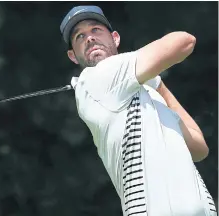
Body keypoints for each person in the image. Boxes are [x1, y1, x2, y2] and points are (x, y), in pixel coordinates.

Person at [60, 5, 217, 216]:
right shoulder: (96, 78)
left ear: (115, 38)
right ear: (72, 55)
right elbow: (184, 41)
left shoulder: (147, 93)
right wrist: (152, 71)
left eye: (96, 30)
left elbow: (199, 148)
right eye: (79, 36)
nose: (89, 38)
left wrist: (157, 85)